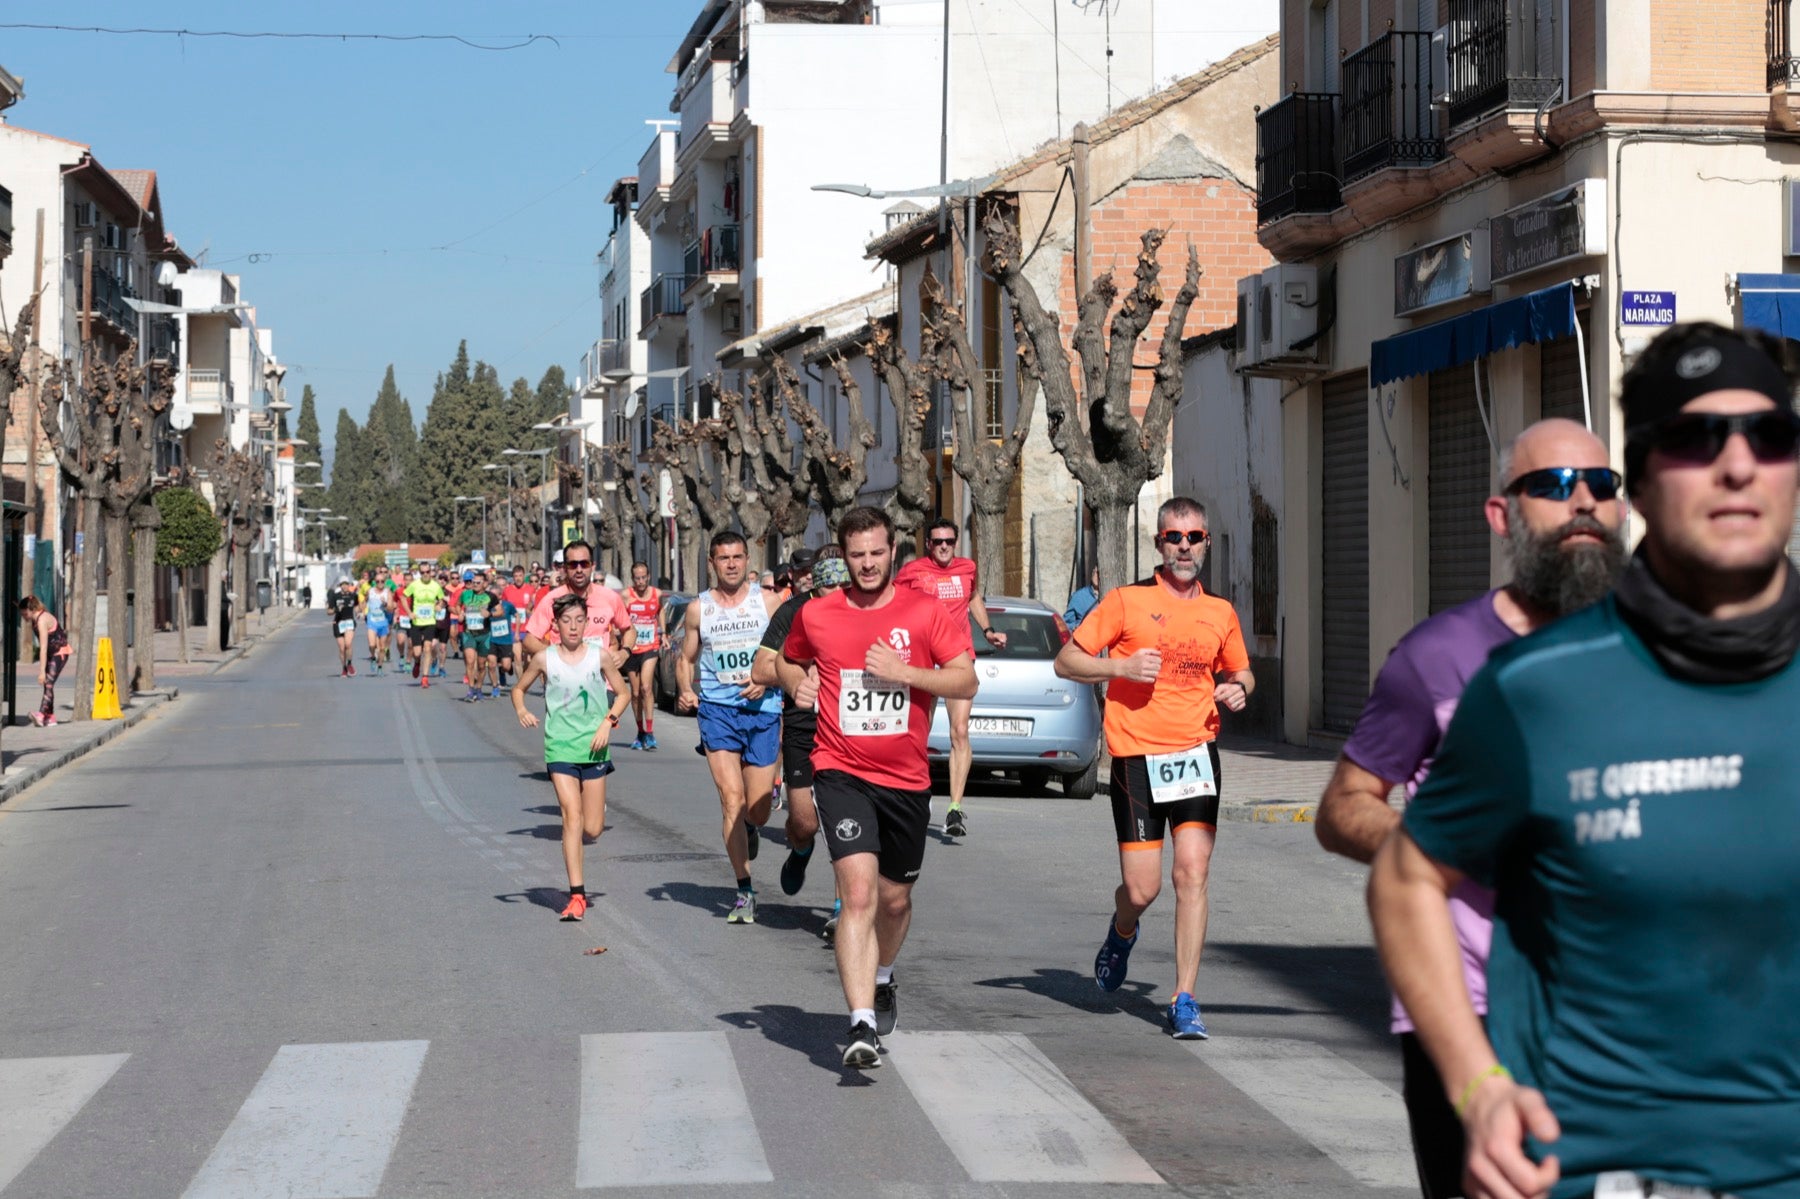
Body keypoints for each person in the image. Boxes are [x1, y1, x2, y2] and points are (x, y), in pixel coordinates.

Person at [1370, 322, 1800, 1199]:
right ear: (1641, 481)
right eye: (1692, 438)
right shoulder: (1540, 688)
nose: (1738, 465)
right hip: (1593, 1170)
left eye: (1770, 435)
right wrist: (1479, 1087)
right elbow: (1406, 879)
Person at [1316, 418, 1627, 1199]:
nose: (1582, 502)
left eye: (1601, 486)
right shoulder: (1437, 655)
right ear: (1502, 514)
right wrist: (1444, 842)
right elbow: (1345, 804)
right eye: (1554, 486)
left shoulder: (1664, 653)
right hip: (1476, 1008)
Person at [779, 507, 976, 1067]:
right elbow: (784, 661)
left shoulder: (925, 611)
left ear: (894, 551)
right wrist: (799, 683)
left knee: (895, 901)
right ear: (843, 556)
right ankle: (861, 1022)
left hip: (907, 779)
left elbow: (966, 677)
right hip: (840, 769)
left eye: (876, 552)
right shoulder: (817, 614)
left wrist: (907, 673)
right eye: (856, 554)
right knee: (859, 896)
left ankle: (883, 975)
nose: (867, 564)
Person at [1052, 497, 1254, 1041]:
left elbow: (1242, 671)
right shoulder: (1125, 602)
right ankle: (1123, 931)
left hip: (1195, 756)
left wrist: (1238, 688)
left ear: (1207, 543)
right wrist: (1119, 665)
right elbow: (1066, 659)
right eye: (1174, 537)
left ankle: (1184, 998)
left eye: (1194, 537)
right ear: (1160, 544)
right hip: (1138, 759)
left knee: (1192, 874)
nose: (1184, 547)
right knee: (1142, 890)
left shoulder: (1220, 612)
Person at [677, 531, 784, 925]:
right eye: (724, 558)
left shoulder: (768, 602)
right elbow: (686, 659)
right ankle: (744, 889)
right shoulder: (698, 610)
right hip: (718, 711)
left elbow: (789, 655)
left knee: (757, 809)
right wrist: (686, 689)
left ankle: (751, 828)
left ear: (747, 559)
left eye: (738, 556)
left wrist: (767, 679)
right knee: (731, 800)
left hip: (763, 710)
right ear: (712, 562)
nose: (732, 564)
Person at [512, 592, 632, 922]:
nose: (574, 627)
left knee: (592, 828)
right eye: (566, 621)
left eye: (580, 620)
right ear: (555, 625)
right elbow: (518, 689)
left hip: (594, 748)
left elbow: (623, 693)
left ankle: (578, 858)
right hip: (560, 747)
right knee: (571, 817)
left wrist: (609, 722)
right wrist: (521, 709)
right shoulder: (544, 659)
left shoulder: (600, 656)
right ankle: (576, 894)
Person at [894, 518, 1007, 837]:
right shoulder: (912, 573)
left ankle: (955, 809)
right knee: (918, 730)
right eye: (937, 541)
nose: (944, 546)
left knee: (960, 731)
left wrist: (987, 631)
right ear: (927, 544)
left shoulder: (967, 568)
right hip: (923, 657)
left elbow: (972, 598)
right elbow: (894, 604)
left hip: (958, 656)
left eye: (949, 541)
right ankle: (918, 792)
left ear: (955, 543)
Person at [750, 547, 834, 916]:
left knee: (843, 819)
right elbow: (761, 668)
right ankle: (800, 849)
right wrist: (798, 678)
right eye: (828, 578)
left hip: (851, 726)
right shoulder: (794, 610)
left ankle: (843, 907)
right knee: (804, 821)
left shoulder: (867, 607)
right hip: (803, 722)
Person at [521, 540, 635, 667]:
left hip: (600, 682)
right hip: (563, 681)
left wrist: (624, 653)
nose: (579, 569)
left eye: (584, 564)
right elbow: (529, 641)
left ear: (593, 566)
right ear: (564, 568)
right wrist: (556, 657)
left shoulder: (610, 597)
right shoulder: (552, 599)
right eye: (573, 565)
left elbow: (629, 630)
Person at [621, 562, 664, 750]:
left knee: (647, 687)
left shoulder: (657, 594)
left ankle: (650, 732)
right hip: (632, 648)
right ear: (633, 579)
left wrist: (664, 632)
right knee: (636, 693)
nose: (641, 581)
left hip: (650, 646)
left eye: (643, 577)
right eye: (637, 578)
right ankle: (640, 732)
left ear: (648, 576)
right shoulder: (626, 596)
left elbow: (660, 610)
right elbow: (619, 618)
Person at [19, 595, 71, 727]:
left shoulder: (42, 620)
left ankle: (42, 715)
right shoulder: (35, 620)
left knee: (48, 681)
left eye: (24, 613)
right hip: (51, 653)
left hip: (60, 652)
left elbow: (43, 648)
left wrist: (41, 671)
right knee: (48, 684)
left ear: (31, 609)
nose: (23, 616)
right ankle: (51, 717)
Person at [404, 567, 447, 688]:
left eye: (427, 572)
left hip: (430, 622)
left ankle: (425, 678)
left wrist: (439, 605)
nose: (425, 574)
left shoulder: (435, 585)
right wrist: (409, 612)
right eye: (422, 572)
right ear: (419, 573)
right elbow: (403, 597)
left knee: (427, 648)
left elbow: (442, 599)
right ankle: (417, 663)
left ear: (430, 572)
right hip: (417, 623)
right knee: (417, 652)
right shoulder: (414, 585)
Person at [458, 569, 494, 702]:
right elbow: (457, 606)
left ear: (484, 583)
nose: (475, 585)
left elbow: (499, 611)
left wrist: (490, 614)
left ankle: (479, 688)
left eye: (478, 582)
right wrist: (460, 613)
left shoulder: (490, 596)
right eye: (473, 582)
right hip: (469, 633)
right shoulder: (465, 594)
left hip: (484, 634)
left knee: (481, 664)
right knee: (470, 661)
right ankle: (470, 689)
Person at [486, 575, 518, 696]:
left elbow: (517, 616)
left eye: (494, 596)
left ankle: (505, 670)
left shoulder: (508, 605)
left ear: (500, 595)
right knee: (491, 663)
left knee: (505, 665)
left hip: (505, 640)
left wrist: (517, 632)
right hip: (491, 640)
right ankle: (495, 687)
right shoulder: (487, 607)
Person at [329, 577, 359, 677]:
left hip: (349, 622)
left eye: (346, 584)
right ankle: (344, 668)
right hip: (338, 623)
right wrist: (336, 609)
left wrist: (359, 613)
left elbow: (356, 606)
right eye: (343, 584)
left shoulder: (353, 595)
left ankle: (349, 663)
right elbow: (329, 611)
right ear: (340, 585)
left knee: (348, 644)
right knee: (342, 649)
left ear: (349, 585)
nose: (345, 586)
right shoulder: (335, 596)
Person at [363, 574, 392, 674]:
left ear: (385, 582)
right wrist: (362, 611)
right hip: (372, 622)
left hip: (383, 623)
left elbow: (390, 609)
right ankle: (372, 657)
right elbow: (363, 603)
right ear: (375, 581)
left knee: (382, 647)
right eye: (377, 581)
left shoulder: (387, 592)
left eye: (382, 581)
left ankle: (380, 667)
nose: (380, 583)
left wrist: (385, 604)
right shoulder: (370, 591)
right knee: (372, 645)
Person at [1064, 565, 1101, 629]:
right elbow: (1066, 623)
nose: (1098, 576)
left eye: (1100, 573)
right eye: (1096, 572)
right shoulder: (1078, 596)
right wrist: (1075, 627)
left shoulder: (1112, 595)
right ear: (1092, 573)